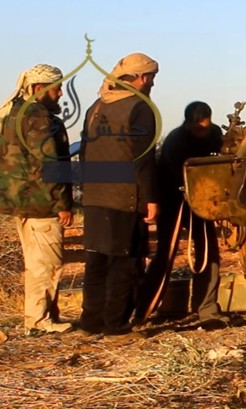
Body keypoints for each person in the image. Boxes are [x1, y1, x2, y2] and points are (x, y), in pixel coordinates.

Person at [77, 53, 160, 336]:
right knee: (125, 262)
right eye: (152, 78)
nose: (152, 84)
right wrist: (151, 198)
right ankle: (116, 326)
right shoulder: (140, 108)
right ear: (141, 78)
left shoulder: (96, 106)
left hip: (94, 195)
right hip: (125, 196)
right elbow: (143, 158)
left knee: (96, 261)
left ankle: (90, 322)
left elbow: (85, 154)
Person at [134, 101, 228, 330]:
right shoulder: (176, 141)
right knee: (165, 255)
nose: (203, 132)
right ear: (189, 124)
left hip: (202, 200)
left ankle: (207, 309)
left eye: (206, 128)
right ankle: (142, 311)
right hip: (173, 200)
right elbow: (174, 174)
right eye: (198, 129)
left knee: (209, 254)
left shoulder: (215, 134)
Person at [0, 64, 74, 336]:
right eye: (57, 88)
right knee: (47, 264)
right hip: (42, 204)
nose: (61, 94)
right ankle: (40, 320)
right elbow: (51, 164)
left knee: (36, 263)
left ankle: (39, 315)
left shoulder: (12, 114)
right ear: (40, 88)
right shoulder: (39, 118)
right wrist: (63, 204)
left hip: (21, 203)